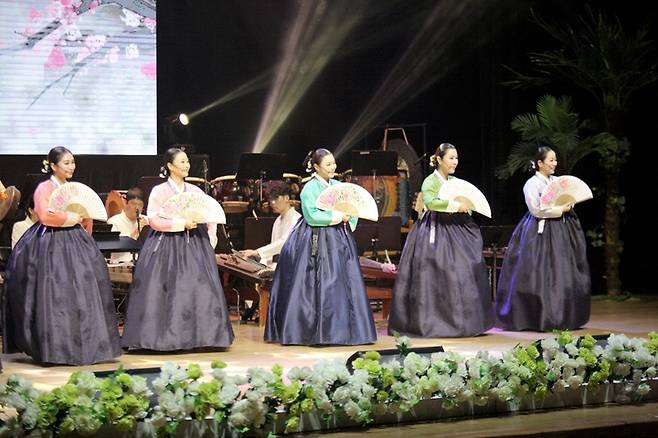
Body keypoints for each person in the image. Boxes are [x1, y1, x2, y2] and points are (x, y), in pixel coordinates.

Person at [3, 146, 121, 365]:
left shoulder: (75, 190)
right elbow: (45, 216)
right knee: (54, 293)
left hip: (77, 242)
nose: (71, 167)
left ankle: (86, 344)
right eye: (66, 163)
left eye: (73, 162)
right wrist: (70, 217)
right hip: (50, 242)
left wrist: (84, 230)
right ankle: (54, 347)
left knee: (84, 291)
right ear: (53, 166)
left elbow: (87, 216)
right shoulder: (44, 189)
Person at [121, 147, 234, 351]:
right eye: (182, 162)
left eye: (187, 161)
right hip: (167, 244)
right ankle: (163, 337)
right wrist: (180, 223)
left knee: (200, 288)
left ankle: (203, 336)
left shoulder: (195, 191)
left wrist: (210, 236)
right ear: (170, 166)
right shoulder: (159, 191)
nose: (187, 165)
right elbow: (154, 218)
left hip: (196, 245)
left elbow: (210, 215)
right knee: (164, 288)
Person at [265, 148, 377, 345]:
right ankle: (315, 331)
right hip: (316, 238)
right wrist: (336, 217)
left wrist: (348, 217)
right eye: (328, 164)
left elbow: (352, 207)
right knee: (318, 282)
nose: (333, 167)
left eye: (333, 163)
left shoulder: (338, 185)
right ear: (316, 167)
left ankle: (345, 329)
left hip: (339, 239)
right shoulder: (309, 189)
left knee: (344, 281)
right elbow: (312, 216)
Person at [388, 143, 494, 338]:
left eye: (456, 158)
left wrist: (466, 206)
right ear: (439, 160)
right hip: (435, 228)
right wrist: (455, 205)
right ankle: (434, 321)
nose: (455, 162)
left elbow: (468, 202)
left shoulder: (455, 181)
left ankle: (464, 321)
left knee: (465, 270)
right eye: (451, 158)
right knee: (435, 272)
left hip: (457, 229)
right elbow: (431, 202)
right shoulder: (430, 181)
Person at [495, 146, 591, 331]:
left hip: (562, 229)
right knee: (538, 272)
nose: (554, 164)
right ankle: (536, 316)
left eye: (555, 160)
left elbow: (567, 199)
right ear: (540, 163)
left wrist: (568, 205)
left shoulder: (558, 181)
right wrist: (558, 210)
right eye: (551, 160)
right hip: (538, 230)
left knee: (563, 271)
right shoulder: (532, 184)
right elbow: (536, 209)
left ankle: (564, 315)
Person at [241, 184, 301, 266]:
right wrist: (260, 263)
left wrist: (257, 252)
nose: (272, 202)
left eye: (276, 198)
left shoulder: (296, 219)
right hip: (278, 265)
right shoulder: (278, 220)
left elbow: (284, 244)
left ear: (286, 198)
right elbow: (273, 249)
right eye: (271, 199)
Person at [106, 187, 148, 263]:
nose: (137, 208)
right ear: (126, 203)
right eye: (133, 204)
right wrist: (135, 232)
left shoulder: (147, 220)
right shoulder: (114, 221)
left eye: (140, 205)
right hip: (120, 265)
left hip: (142, 264)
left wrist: (147, 230)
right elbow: (115, 245)